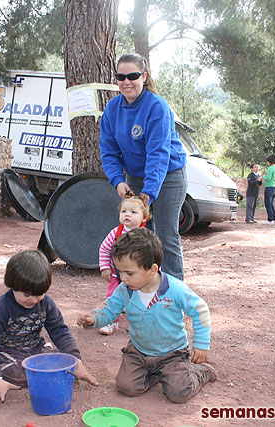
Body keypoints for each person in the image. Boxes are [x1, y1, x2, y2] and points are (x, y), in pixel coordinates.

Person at [0, 250, 97, 409]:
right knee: (22, 373)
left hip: (34, 349)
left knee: (58, 366)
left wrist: (76, 362)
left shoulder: (46, 303)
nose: (34, 300)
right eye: (27, 294)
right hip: (6, 352)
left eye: (40, 294)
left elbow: (60, 331)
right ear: (13, 285)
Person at [77, 228, 216, 403]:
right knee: (126, 387)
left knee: (178, 393)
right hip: (139, 351)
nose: (122, 278)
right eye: (119, 271)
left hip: (172, 353)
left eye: (129, 273)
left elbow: (200, 309)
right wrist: (93, 319)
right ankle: (158, 375)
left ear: (152, 269)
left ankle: (200, 372)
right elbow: (110, 309)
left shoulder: (175, 289)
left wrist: (202, 345)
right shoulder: (125, 290)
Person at [99, 52, 187, 281]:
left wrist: (149, 192)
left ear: (144, 76)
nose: (126, 81)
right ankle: (141, 289)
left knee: (165, 236)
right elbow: (108, 152)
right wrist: (118, 181)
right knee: (138, 236)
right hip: (136, 177)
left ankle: (172, 294)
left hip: (168, 176)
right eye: (121, 76)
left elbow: (158, 154)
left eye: (133, 76)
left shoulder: (157, 107)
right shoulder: (112, 109)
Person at [98, 193, 150, 335]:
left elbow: (151, 256)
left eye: (133, 212)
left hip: (137, 278)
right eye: (124, 211)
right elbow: (104, 249)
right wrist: (105, 267)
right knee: (112, 298)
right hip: (116, 274)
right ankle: (111, 322)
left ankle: (140, 325)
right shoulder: (115, 233)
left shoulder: (144, 236)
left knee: (141, 300)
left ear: (144, 218)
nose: (128, 215)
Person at [262, 154, 275, 224]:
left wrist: (263, 177)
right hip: (274, 187)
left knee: (268, 204)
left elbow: (268, 178)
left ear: (270, 161)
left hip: (269, 187)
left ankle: (270, 219)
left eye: (268, 161)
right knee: (271, 203)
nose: (267, 163)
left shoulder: (270, 168)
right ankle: (274, 219)